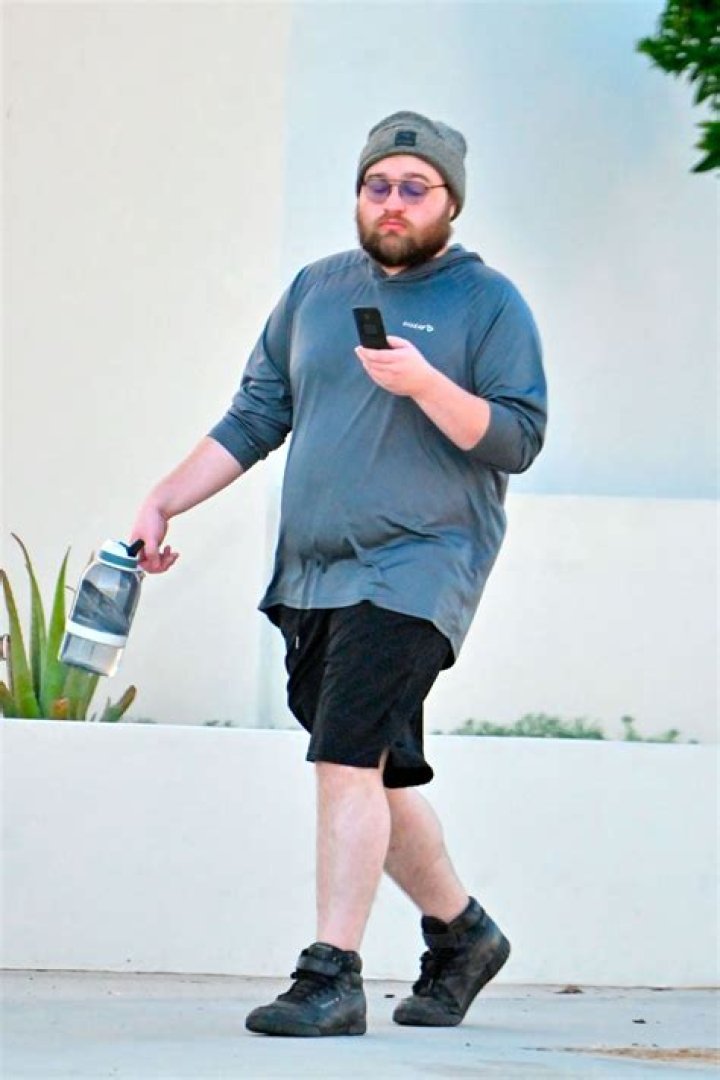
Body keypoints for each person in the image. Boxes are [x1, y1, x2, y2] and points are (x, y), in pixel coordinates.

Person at [131, 110, 547, 1038]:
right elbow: (256, 415)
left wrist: (426, 383)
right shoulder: (316, 291)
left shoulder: (489, 303)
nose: (393, 202)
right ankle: (464, 935)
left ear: (450, 201)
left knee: (345, 758)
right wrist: (164, 498)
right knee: (376, 770)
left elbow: (518, 438)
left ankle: (332, 977)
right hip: (314, 576)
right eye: (377, 185)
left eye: (414, 188)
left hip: (419, 568)